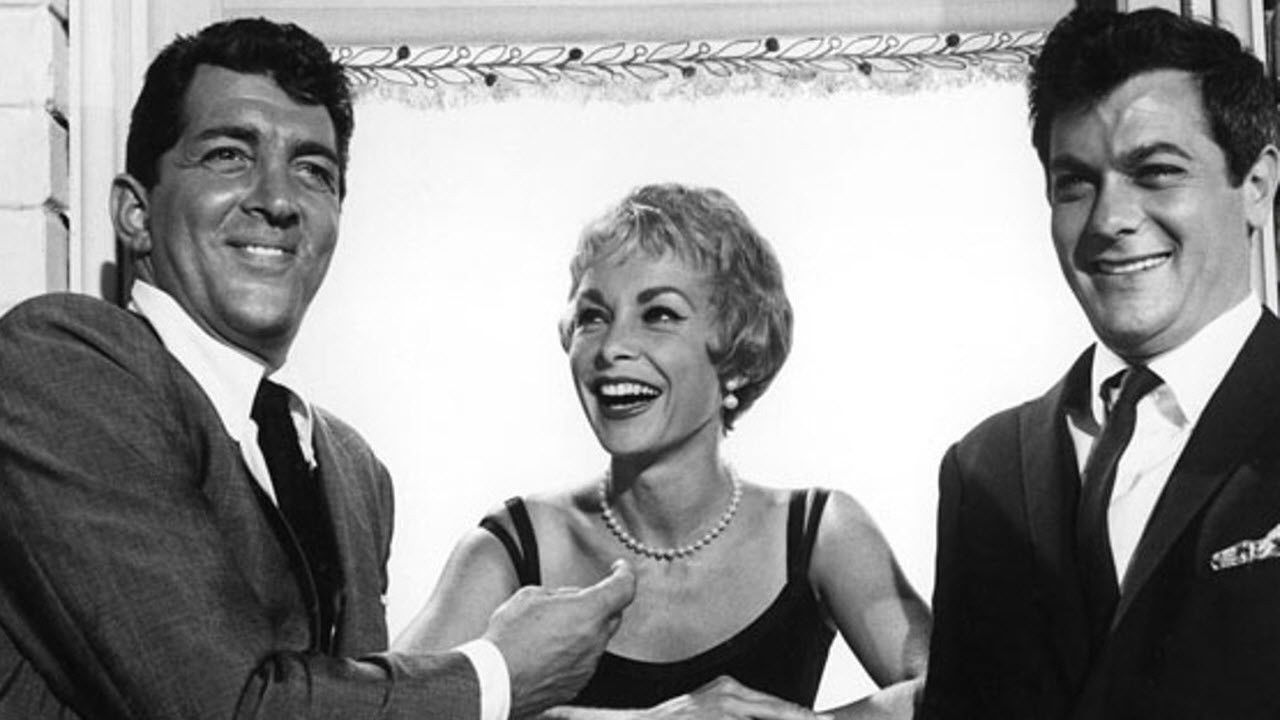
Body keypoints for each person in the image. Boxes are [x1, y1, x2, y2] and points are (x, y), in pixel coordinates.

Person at [0, 17, 635, 719]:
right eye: (228, 156)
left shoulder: (351, 468)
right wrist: (498, 675)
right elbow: (223, 706)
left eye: (313, 171)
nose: (277, 201)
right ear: (135, 214)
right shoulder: (62, 365)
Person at [395, 183, 932, 719]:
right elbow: (384, 709)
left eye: (659, 315)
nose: (611, 348)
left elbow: (953, 693)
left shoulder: (821, 531)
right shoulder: (511, 546)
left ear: (740, 355)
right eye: (593, 317)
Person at [921, 7, 1280, 719]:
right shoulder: (983, 469)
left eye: (1156, 172)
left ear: (1257, 185)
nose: (1110, 219)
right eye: (1075, 184)